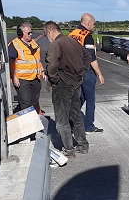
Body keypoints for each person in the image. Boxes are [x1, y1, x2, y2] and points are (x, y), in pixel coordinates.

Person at [44, 21, 91, 157]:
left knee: (61, 118)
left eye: (46, 34)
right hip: (76, 83)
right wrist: (81, 73)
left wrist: (54, 78)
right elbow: (87, 56)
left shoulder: (56, 44)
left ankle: (69, 149)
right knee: (76, 115)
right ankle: (82, 145)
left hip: (62, 84)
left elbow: (51, 64)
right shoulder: (73, 41)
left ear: (50, 31)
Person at [68, 13, 105, 133]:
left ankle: (70, 121)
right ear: (88, 23)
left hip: (73, 71)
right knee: (90, 99)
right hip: (86, 71)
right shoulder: (87, 36)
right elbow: (91, 58)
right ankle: (89, 126)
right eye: (93, 24)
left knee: (79, 98)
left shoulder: (71, 34)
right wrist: (99, 74)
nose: (93, 27)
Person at [8, 22, 45, 114]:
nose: (31, 34)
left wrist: (42, 70)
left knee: (34, 100)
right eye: (29, 33)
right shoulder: (14, 45)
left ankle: (31, 120)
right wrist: (14, 76)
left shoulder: (33, 43)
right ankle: (27, 125)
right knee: (25, 102)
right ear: (21, 33)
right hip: (22, 78)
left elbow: (37, 59)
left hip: (35, 77)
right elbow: (10, 61)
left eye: (31, 32)